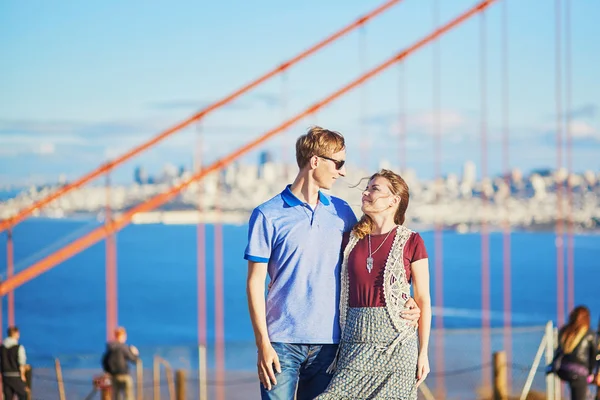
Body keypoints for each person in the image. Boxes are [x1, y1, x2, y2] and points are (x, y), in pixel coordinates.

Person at [245, 127, 421, 400]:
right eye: (338, 163)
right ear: (315, 161)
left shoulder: (342, 213)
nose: (343, 172)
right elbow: (255, 283)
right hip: (281, 343)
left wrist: (409, 302)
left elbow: (376, 255)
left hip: (331, 346)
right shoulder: (267, 215)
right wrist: (263, 344)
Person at [317, 169, 431, 399]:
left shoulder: (412, 241)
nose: (365, 193)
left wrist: (423, 353)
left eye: (374, 189)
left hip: (398, 345)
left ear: (394, 200)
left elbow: (423, 300)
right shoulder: (349, 240)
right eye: (366, 188)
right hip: (354, 342)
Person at [549, 306, 598, 400]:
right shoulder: (589, 333)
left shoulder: (565, 330)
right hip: (580, 373)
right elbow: (594, 356)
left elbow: (559, 351)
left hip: (563, 370)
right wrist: (591, 373)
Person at [101, 327, 139, 400]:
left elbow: (104, 361)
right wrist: (135, 354)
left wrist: (108, 371)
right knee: (128, 396)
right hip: (124, 375)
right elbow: (134, 360)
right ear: (123, 336)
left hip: (113, 376)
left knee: (116, 397)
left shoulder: (110, 348)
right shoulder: (124, 347)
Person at [0, 326, 28, 400]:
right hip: (16, 375)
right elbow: (21, 362)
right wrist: (23, 375)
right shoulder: (18, 347)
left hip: (5, 376)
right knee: (23, 395)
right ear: (15, 334)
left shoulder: (2, 348)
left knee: (8, 397)